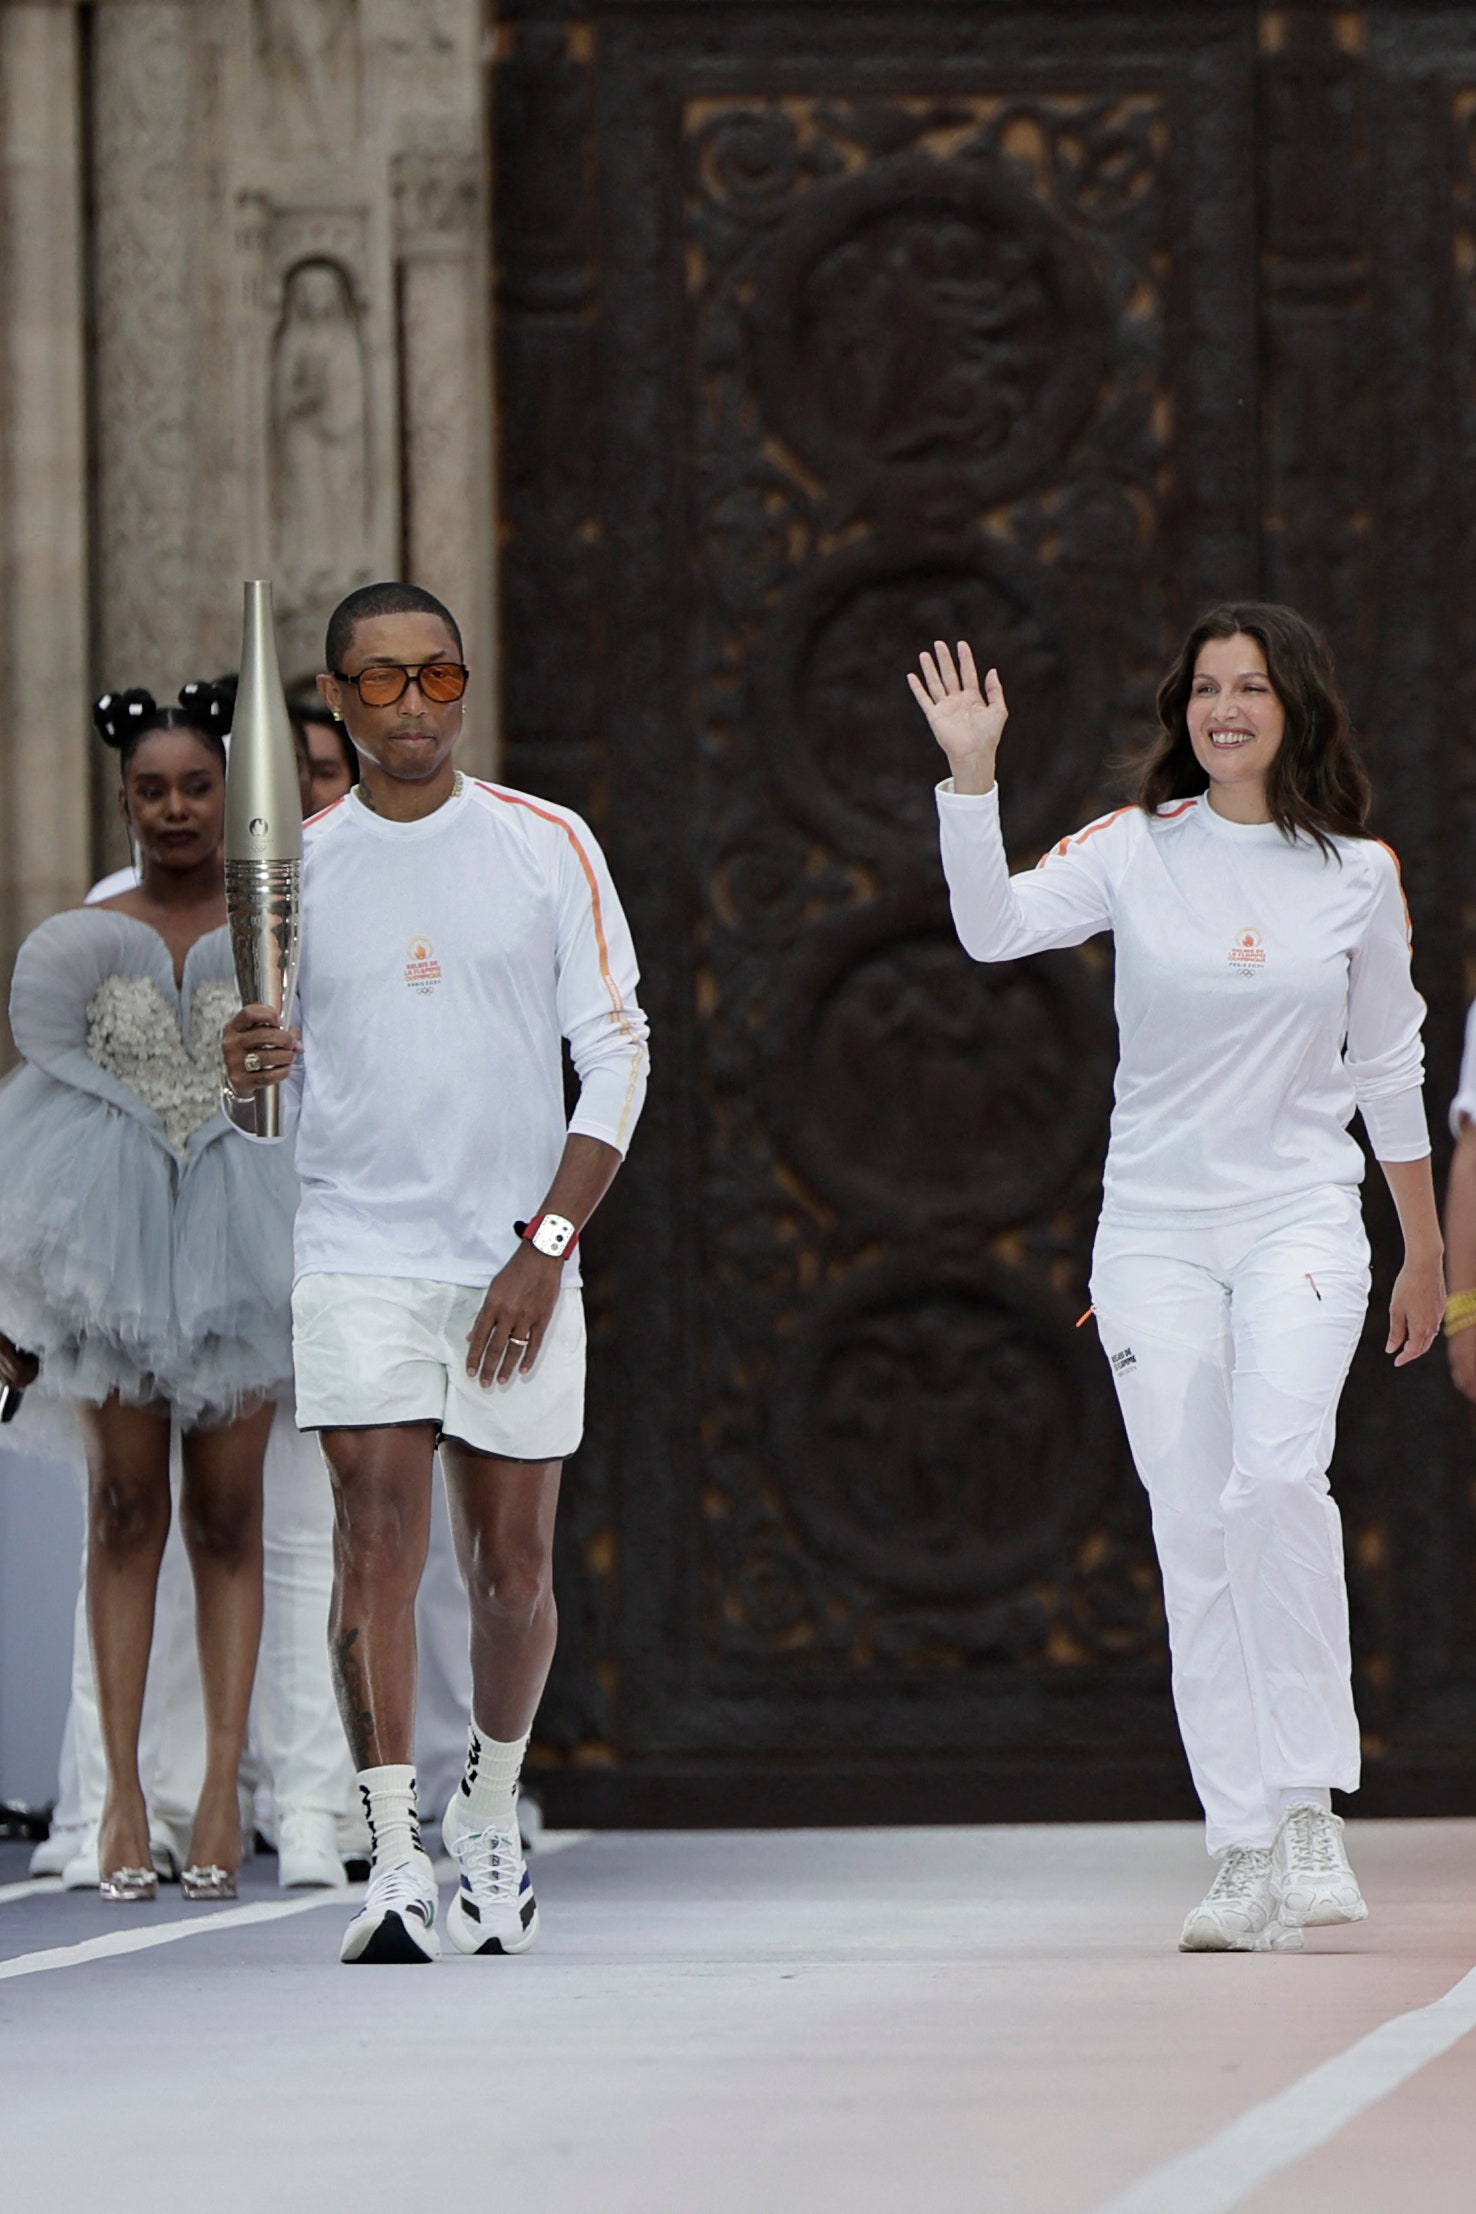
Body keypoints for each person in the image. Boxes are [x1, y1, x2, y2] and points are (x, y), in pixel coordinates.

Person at [911, 605, 1444, 1953]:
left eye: (1252, 687)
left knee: (1277, 1479)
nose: (1226, 707)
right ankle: (1239, 1840)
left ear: (1294, 708)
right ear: (1180, 710)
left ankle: (1311, 1796)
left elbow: (1390, 1065)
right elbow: (992, 930)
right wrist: (972, 779)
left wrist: (1427, 1248)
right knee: (1194, 1527)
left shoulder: (1356, 875)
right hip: (1153, 1232)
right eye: (1207, 687)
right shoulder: (1134, 851)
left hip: (1302, 1223)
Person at [222, 580, 649, 1963]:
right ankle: (393, 1854)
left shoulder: (546, 844)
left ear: (467, 685)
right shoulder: (300, 863)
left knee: (512, 1567)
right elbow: (265, 1091)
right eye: (384, 681)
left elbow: (622, 1053)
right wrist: (246, 1075)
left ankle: (491, 1806)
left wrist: (546, 1246)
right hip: (359, 1246)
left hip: (511, 1254)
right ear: (337, 703)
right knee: (375, 1533)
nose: (416, 705)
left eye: (441, 676)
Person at [0, 682, 300, 1900]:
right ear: (124, 799)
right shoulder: (89, 930)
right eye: (152, 790)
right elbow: (53, 1089)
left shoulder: (274, 923)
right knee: (126, 1513)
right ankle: (123, 1796)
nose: (175, 808)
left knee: (229, 1521)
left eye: (196, 787)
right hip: (115, 1260)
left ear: (230, 796)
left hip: (239, 1246)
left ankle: (222, 1785)